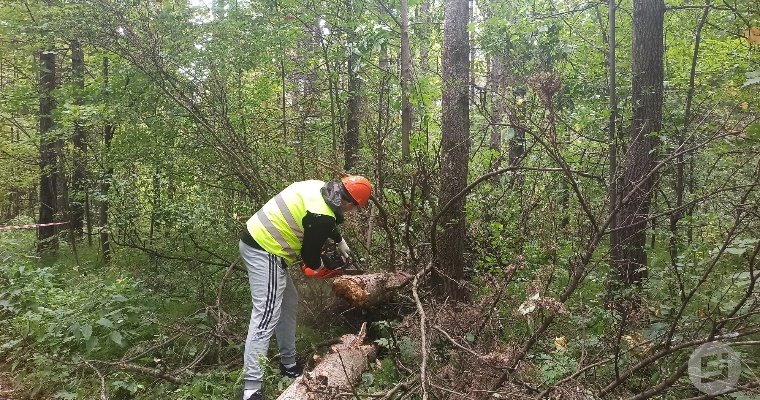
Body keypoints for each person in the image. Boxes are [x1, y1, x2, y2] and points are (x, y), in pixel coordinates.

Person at [238, 175, 372, 400]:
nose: (350, 212)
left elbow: (321, 219)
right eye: (353, 208)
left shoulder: (318, 187)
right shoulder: (322, 217)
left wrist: (339, 240)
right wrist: (321, 268)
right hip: (265, 250)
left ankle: (288, 364)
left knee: (288, 304)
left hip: (261, 242)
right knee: (265, 315)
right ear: (349, 203)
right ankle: (251, 389)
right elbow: (309, 257)